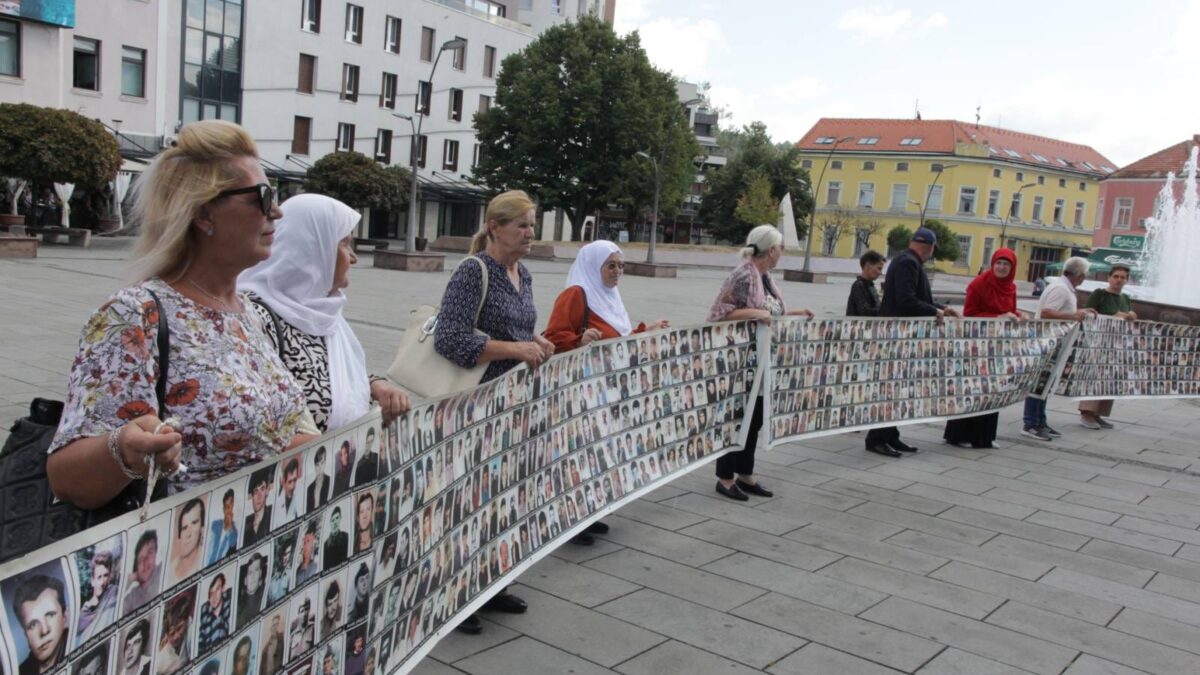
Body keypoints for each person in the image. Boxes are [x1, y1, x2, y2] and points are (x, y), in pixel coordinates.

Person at [46, 120, 314, 510]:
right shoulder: (135, 315)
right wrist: (124, 450)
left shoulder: (251, 315)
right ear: (204, 215)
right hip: (178, 555)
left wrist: (359, 444)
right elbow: (67, 479)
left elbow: (270, 442)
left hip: (259, 551)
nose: (276, 211)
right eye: (261, 196)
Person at [434, 190, 552, 635]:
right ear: (494, 227)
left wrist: (536, 342)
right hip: (478, 405)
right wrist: (514, 348)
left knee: (506, 495)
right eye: (521, 225)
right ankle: (458, 595)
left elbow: (521, 329)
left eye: (532, 225)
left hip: (516, 404)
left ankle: (492, 582)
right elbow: (450, 338)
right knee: (472, 498)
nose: (529, 233)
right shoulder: (473, 272)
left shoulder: (524, 273)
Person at [240, 193, 411, 434]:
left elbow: (326, 368)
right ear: (311, 250)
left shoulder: (324, 310)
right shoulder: (253, 318)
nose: (353, 257)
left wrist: (375, 385)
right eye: (343, 244)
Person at [542, 240, 669, 545]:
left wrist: (644, 332)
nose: (617, 272)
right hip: (580, 390)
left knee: (598, 451)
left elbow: (618, 340)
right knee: (580, 451)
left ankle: (588, 512)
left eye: (621, 265)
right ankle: (570, 521)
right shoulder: (576, 293)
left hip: (605, 390)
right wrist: (579, 340)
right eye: (611, 265)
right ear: (593, 266)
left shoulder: (610, 296)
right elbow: (553, 337)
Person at [708, 225, 813, 501]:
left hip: (762, 359)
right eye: (780, 247)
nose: (782, 252)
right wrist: (756, 312)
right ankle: (725, 478)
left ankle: (746, 473)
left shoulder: (765, 277)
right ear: (770, 250)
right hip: (742, 360)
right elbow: (719, 313)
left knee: (754, 419)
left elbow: (771, 312)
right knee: (737, 417)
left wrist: (796, 313)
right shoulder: (744, 274)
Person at [869, 227, 959, 457]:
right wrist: (934, 311)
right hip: (896, 336)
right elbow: (907, 300)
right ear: (930, 248)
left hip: (898, 335)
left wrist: (940, 307)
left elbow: (917, 296)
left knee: (896, 387)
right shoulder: (909, 263)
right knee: (890, 388)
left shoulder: (906, 260)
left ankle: (891, 435)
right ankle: (877, 438)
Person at [943, 248, 1022, 449]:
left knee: (993, 389)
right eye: (999, 263)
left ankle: (984, 437)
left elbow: (1010, 310)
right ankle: (959, 435)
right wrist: (997, 318)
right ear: (992, 264)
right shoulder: (978, 284)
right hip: (976, 345)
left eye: (1007, 264)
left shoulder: (1011, 287)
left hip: (997, 346)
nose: (1002, 267)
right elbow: (968, 315)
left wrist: (1018, 316)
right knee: (973, 388)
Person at [1023, 256, 1096, 441]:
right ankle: (1031, 422)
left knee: (1046, 384)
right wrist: (1073, 316)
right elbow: (1047, 312)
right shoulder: (1061, 289)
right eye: (1084, 275)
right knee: (1039, 383)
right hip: (1048, 342)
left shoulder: (1064, 288)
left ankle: (1040, 420)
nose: (1084, 278)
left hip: (1055, 343)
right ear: (1079, 274)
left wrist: (1080, 313)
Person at [1078, 264, 1137, 430]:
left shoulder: (1125, 298)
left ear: (1127, 280)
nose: (1119, 280)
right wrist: (1113, 316)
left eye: (1122, 277)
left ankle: (1098, 413)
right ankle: (1087, 413)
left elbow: (1127, 315)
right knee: (1095, 376)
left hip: (1116, 344)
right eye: (1116, 276)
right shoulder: (1100, 294)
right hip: (1098, 341)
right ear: (1109, 278)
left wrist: (1131, 315)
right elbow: (1087, 313)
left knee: (1110, 378)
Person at [12, 574, 71, 674]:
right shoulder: (20, 671)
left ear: (64, 617)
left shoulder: (78, 640)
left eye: (50, 615)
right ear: (26, 635)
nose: (44, 631)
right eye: (33, 624)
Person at [74, 550, 118, 644]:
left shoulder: (113, 592)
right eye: (99, 577)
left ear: (110, 576)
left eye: (105, 576)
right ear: (92, 581)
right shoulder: (84, 612)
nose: (102, 582)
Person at [123, 530, 163, 614]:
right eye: (141, 559)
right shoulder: (132, 597)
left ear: (156, 553)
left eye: (150, 552)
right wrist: (133, 577)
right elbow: (115, 600)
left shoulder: (161, 570)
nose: (146, 561)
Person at [170, 498, 206, 583]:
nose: (188, 534)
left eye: (194, 523)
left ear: (202, 528)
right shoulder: (170, 570)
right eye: (184, 528)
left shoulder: (204, 562)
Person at [197, 573, 231, 652]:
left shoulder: (231, 599)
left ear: (223, 588)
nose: (214, 596)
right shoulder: (204, 611)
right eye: (211, 593)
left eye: (217, 589)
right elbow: (201, 642)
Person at [243, 467, 275, 547]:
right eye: (256, 491)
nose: (259, 496)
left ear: (267, 491)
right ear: (252, 496)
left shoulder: (272, 515)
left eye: (262, 489)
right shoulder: (246, 524)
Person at [846, 250, 884, 317]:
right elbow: (864, 311)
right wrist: (886, 310)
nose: (880, 273)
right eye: (879, 268)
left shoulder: (870, 285)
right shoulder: (858, 285)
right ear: (868, 266)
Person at [206, 489, 239, 565]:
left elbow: (232, 544)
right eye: (226, 506)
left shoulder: (234, 532)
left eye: (230, 506)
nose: (228, 510)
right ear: (223, 508)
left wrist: (230, 526)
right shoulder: (215, 524)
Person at [236, 552, 266, 631]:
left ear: (260, 573)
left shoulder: (265, 595)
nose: (253, 576)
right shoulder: (238, 606)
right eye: (250, 572)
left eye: (256, 570)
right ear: (245, 579)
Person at [273, 457, 303, 528]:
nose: (293, 486)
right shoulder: (276, 501)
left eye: (295, 480)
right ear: (283, 481)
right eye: (289, 482)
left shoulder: (299, 496)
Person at [323, 506, 350, 570]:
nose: (335, 523)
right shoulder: (325, 545)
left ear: (340, 518)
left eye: (337, 518)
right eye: (332, 520)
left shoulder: (346, 537)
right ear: (329, 523)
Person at [295, 519, 321, 585]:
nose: (304, 545)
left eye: (308, 541)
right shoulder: (298, 570)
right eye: (304, 542)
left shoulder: (316, 564)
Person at [307, 445, 332, 511]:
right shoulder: (309, 488)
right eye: (317, 464)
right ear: (314, 466)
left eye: (322, 463)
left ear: (325, 462)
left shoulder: (330, 481)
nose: (320, 468)